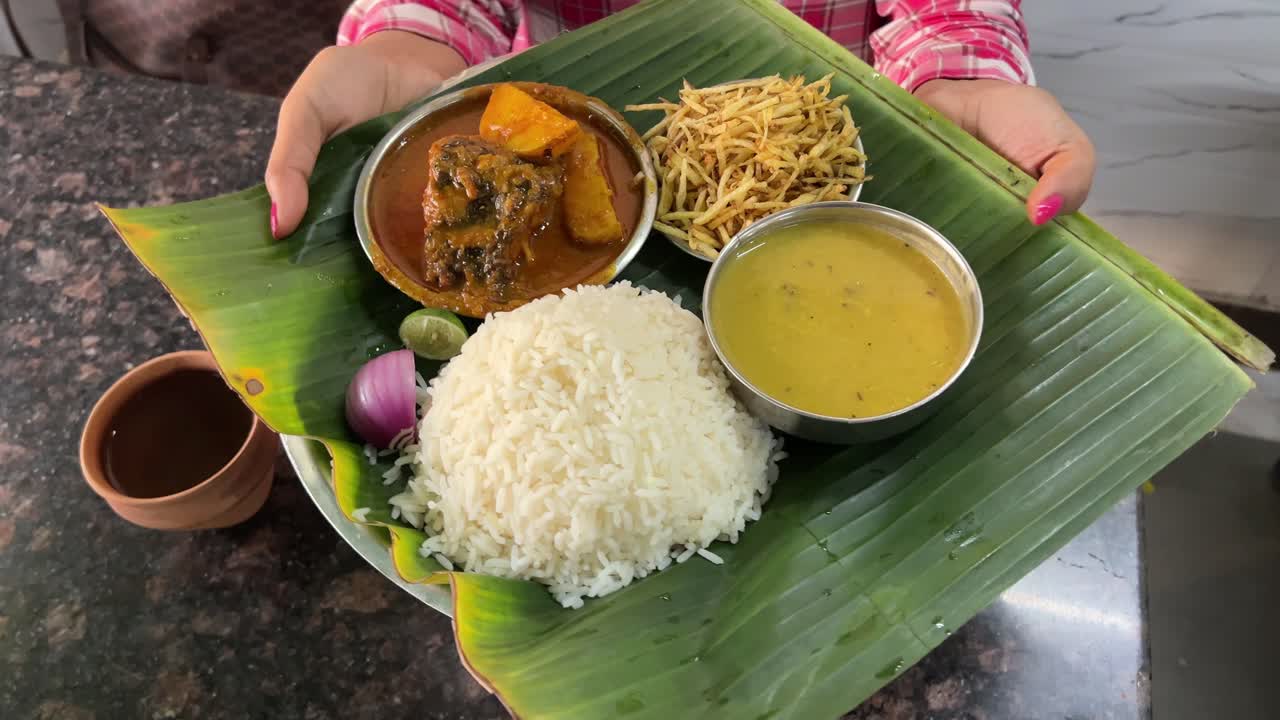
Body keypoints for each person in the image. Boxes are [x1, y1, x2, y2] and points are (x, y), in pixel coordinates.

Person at [265, 0, 1095, 239]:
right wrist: (410, 44)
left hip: (822, 144)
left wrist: (957, 78)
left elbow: (948, 11)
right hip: (565, 126)